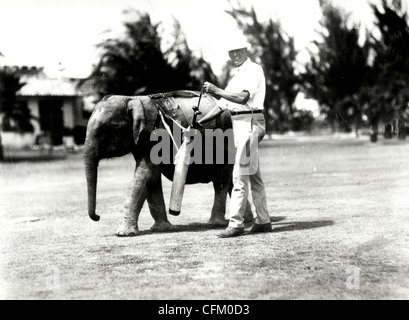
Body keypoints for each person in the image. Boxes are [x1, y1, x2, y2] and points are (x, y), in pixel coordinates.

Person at [194, 41, 272, 238]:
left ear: (246, 51)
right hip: (241, 125)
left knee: (239, 175)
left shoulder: (254, 70)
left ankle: (236, 224)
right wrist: (200, 122)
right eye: (232, 52)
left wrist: (216, 90)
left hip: (252, 123)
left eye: (239, 51)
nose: (235, 54)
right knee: (253, 175)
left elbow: (243, 98)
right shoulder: (237, 76)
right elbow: (222, 105)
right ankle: (263, 221)